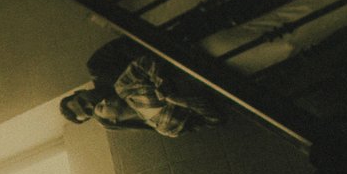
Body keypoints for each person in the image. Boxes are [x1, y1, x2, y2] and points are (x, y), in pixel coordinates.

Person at [59, 37, 227, 137]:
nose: (92, 105)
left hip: (175, 55)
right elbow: (200, 122)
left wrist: (165, 81)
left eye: (82, 101)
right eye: (89, 111)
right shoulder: (146, 120)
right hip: (213, 91)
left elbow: (130, 44)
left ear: (80, 92)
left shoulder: (98, 67)